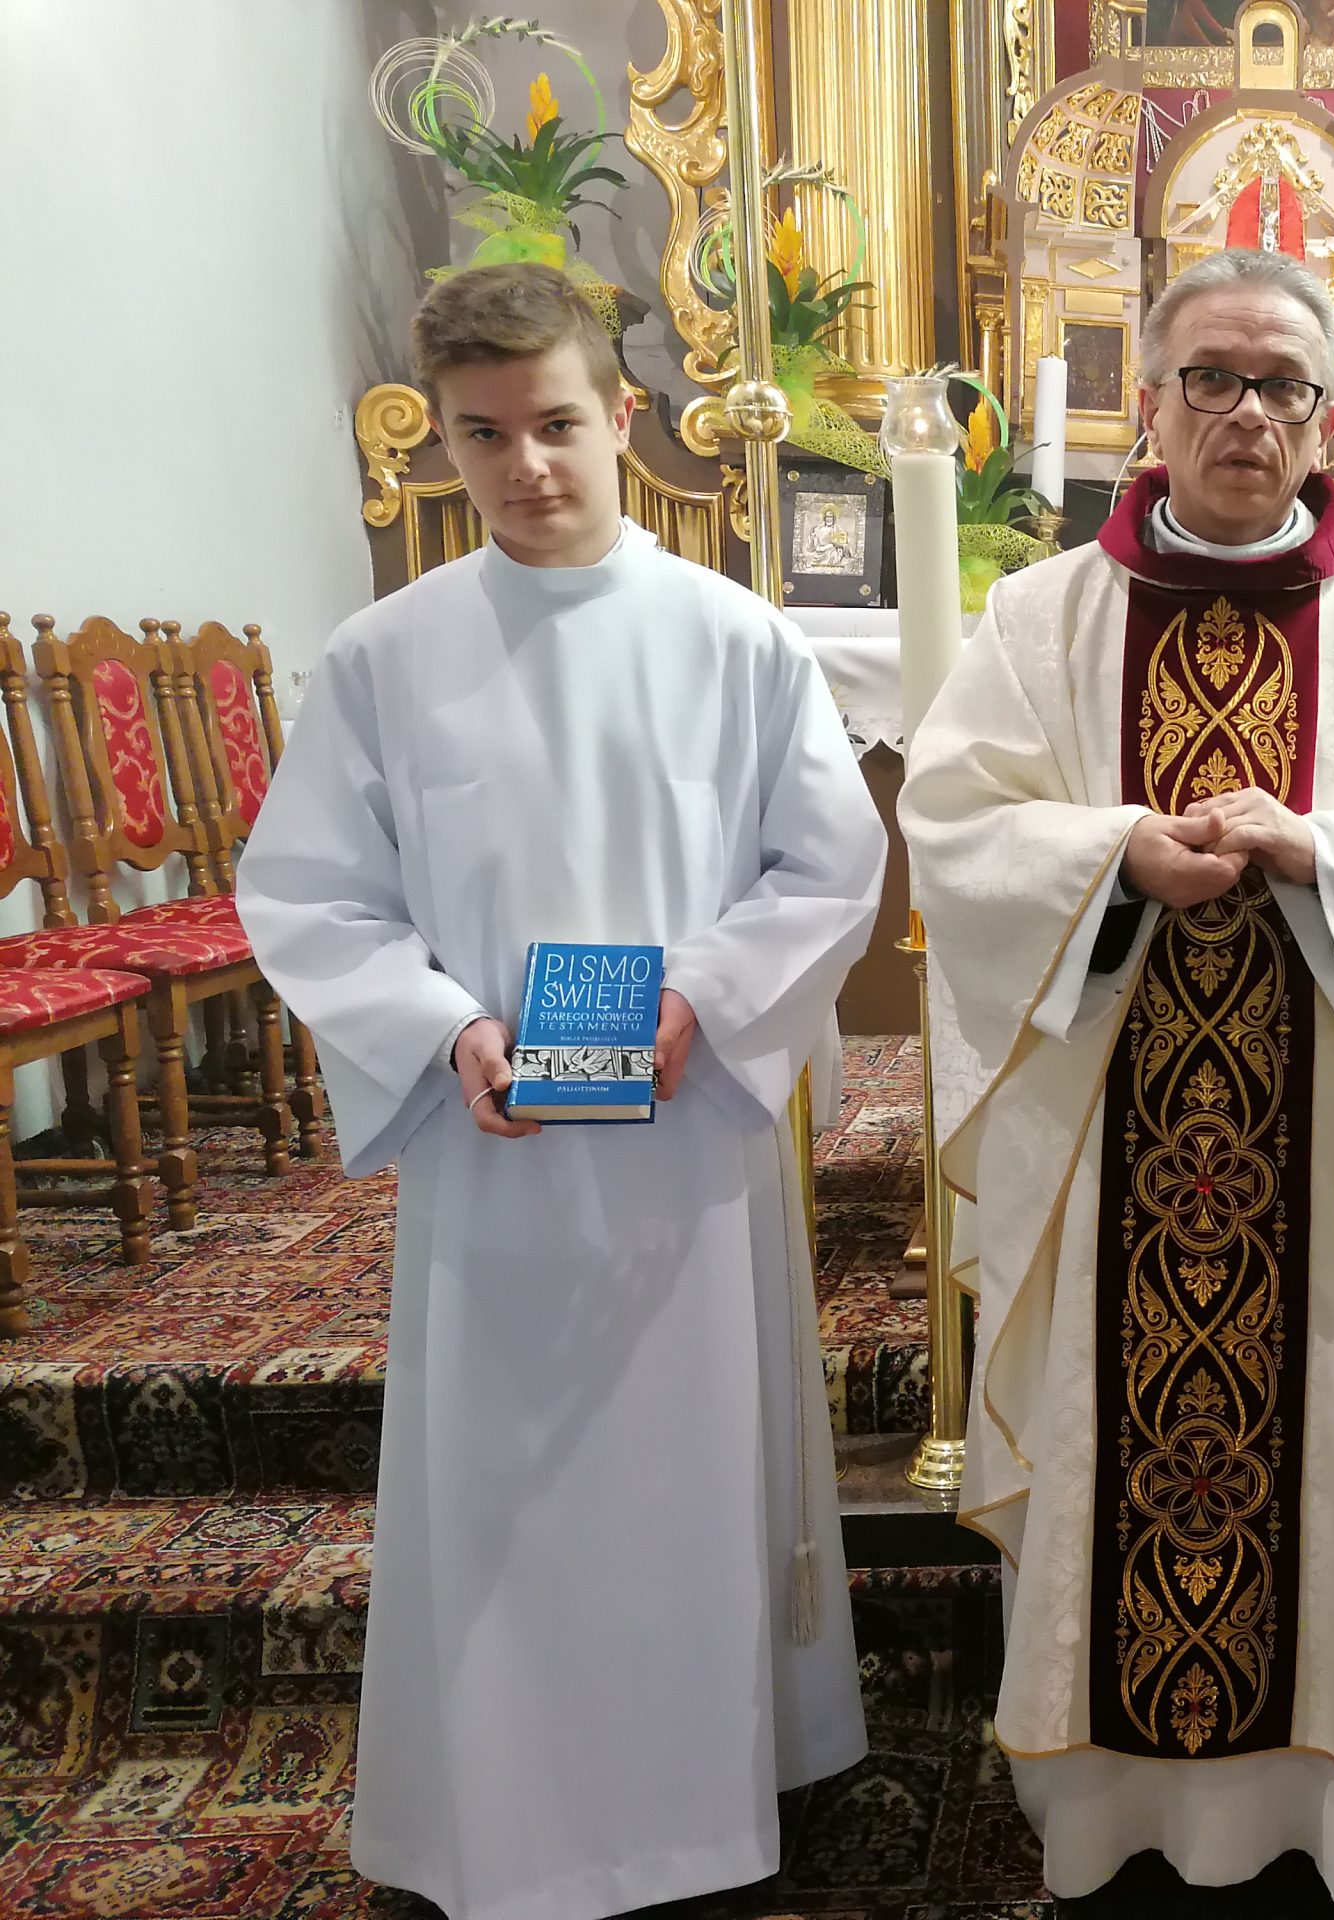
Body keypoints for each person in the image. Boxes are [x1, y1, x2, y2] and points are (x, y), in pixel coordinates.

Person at [898, 246, 1334, 1914]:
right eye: (1210, 377)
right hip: (1111, 1134)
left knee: (1333, 1458)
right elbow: (954, 826)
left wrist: (1328, 854)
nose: (1245, 412)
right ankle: (1108, 1813)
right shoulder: (1046, 617)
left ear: (1328, 417)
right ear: (1151, 402)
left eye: (1281, 384)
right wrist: (1117, 853)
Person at [235, 263, 886, 1920]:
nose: (524, 464)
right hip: (497, 1148)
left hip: (683, 1141)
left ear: (622, 417)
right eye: (483, 434)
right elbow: (311, 893)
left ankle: (698, 1813)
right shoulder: (385, 657)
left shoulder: (738, 640)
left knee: (689, 1477)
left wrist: (701, 995)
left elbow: (827, 867)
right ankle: (511, 1816)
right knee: (505, 1490)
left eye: (556, 424)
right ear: (443, 442)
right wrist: (442, 1027)